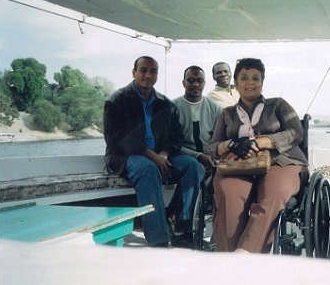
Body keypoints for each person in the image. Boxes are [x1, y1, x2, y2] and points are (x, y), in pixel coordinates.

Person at [208, 58, 307, 253]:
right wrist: (232, 144)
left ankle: (245, 252)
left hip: (282, 161)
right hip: (240, 165)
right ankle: (228, 257)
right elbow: (212, 146)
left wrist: (260, 142)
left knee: (275, 191)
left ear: (262, 82)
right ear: (235, 83)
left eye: (256, 78)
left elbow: (296, 132)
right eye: (244, 77)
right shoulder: (227, 113)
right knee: (229, 193)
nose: (250, 82)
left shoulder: (277, 105)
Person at [103, 56, 202, 248]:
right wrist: (151, 155)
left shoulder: (165, 104)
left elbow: (175, 137)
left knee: (193, 166)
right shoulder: (117, 100)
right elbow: (116, 138)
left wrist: (163, 154)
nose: (148, 75)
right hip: (125, 156)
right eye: (143, 70)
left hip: (160, 155)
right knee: (148, 169)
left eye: (153, 71)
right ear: (134, 72)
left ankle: (182, 228)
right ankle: (159, 240)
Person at [169, 65, 222, 244]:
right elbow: (172, 144)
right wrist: (199, 156)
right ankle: (184, 228)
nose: (195, 84)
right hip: (182, 156)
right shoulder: (173, 107)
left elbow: (220, 138)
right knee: (194, 167)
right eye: (191, 80)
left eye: (199, 80)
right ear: (183, 82)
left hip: (211, 157)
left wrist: (211, 155)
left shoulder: (215, 108)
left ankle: (221, 234)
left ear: (205, 83)